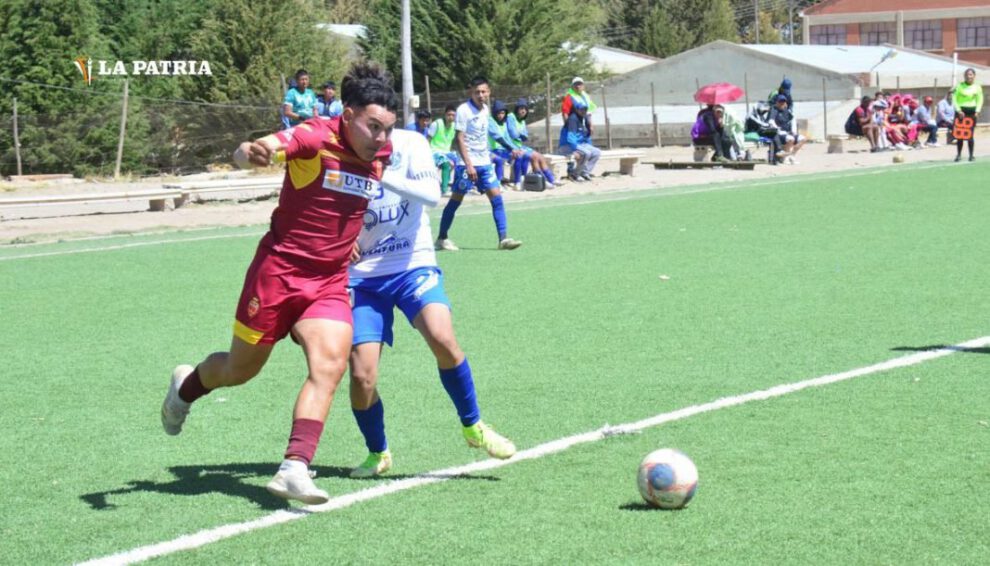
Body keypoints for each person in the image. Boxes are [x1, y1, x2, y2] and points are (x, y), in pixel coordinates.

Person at [160, 61, 399, 505]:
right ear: (347, 115)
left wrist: (345, 239)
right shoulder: (314, 136)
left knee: (330, 364)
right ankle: (185, 387)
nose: (381, 138)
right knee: (240, 370)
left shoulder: (381, 153)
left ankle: (294, 467)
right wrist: (250, 152)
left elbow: (347, 200)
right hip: (278, 274)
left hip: (328, 282)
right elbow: (262, 147)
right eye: (373, 127)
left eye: (388, 129)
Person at [347, 128, 517, 478]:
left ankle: (473, 425)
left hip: (413, 264)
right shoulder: (337, 148)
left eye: (385, 121)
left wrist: (380, 172)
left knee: (442, 338)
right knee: (362, 376)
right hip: (361, 278)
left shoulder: (412, 142)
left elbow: (431, 195)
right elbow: (320, 206)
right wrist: (337, 239)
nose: (378, 130)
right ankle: (378, 451)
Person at [435, 76, 523, 252]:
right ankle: (442, 238)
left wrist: (511, 147)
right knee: (455, 201)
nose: (480, 95)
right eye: (477, 92)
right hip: (466, 165)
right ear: (471, 93)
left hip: (484, 163)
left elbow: (493, 133)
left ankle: (503, 239)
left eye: (483, 91)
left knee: (497, 199)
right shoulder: (463, 110)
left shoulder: (485, 110)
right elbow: (459, 138)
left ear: (489, 92)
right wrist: (469, 165)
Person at [506, 98, 558, 188]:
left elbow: (525, 136)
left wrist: (520, 134)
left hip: (520, 146)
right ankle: (540, 180)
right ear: (517, 109)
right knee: (533, 157)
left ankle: (550, 180)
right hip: (510, 147)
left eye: (525, 109)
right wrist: (521, 134)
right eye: (521, 108)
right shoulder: (511, 117)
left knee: (540, 156)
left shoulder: (522, 120)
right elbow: (513, 134)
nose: (523, 111)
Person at [558, 98, 601, 180]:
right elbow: (570, 138)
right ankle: (575, 174)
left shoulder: (583, 118)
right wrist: (574, 149)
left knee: (596, 152)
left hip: (580, 144)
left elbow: (585, 136)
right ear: (576, 110)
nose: (583, 111)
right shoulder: (573, 119)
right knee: (586, 153)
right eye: (581, 109)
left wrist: (589, 146)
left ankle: (584, 172)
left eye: (585, 109)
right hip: (566, 146)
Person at [488, 100, 526, 188]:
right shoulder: (490, 121)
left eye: (503, 113)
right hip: (493, 150)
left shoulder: (504, 123)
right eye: (498, 113)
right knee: (499, 160)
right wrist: (511, 149)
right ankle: (498, 183)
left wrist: (516, 149)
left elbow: (507, 139)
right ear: (494, 113)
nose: (501, 115)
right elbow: (498, 138)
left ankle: (517, 182)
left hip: (503, 150)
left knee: (519, 156)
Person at [953, 68, 983, 162]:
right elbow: (954, 99)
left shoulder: (977, 87)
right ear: (964, 76)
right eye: (967, 75)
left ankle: (971, 155)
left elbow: (980, 99)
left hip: (972, 112)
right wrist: (959, 110)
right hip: (961, 112)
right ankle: (958, 155)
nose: (969, 76)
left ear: (974, 76)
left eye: (970, 74)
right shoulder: (959, 86)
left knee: (970, 134)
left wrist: (977, 111)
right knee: (960, 135)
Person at [428, 104, 458, 195]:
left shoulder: (455, 126)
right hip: (434, 151)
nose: (451, 117)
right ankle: (444, 189)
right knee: (446, 164)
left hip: (446, 152)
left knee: (461, 163)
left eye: (453, 115)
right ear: (445, 115)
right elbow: (428, 139)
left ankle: (457, 187)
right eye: (449, 115)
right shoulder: (436, 124)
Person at [770, 94, 806, 163]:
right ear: (777, 102)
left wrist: (794, 131)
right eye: (780, 101)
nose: (782, 103)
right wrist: (777, 129)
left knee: (803, 139)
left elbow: (793, 120)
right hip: (780, 133)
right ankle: (785, 158)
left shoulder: (787, 111)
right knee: (790, 139)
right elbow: (771, 121)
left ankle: (792, 156)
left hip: (788, 133)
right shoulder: (774, 110)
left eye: (783, 102)